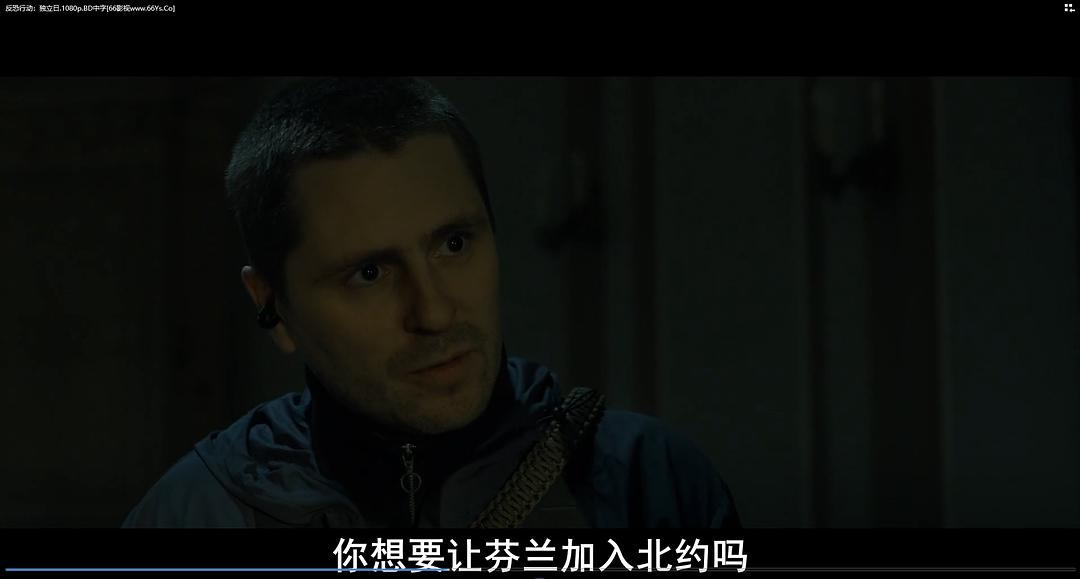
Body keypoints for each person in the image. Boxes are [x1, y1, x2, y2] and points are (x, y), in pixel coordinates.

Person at [123, 77, 740, 528]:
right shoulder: (194, 516)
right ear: (273, 307)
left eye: (454, 244)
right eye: (369, 273)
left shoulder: (647, 483)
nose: (436, 313)